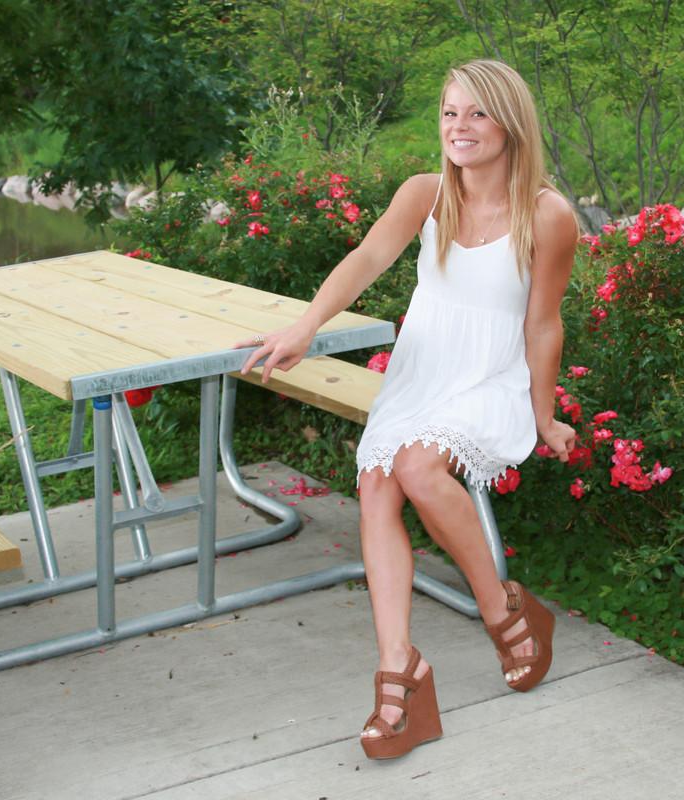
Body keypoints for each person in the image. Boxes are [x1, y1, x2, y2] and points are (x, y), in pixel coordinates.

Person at [234, 58, 581, 759]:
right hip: (424, 371)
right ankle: (403, 674)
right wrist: (306, 326)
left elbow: (544, 325)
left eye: (477, 113)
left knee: (420, 471)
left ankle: (501, 607)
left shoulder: (547, 215)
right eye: (451, 113)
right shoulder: (425, 194)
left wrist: (543, 416)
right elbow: (366, 259)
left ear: (509, 122)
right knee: (375, 489)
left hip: (490, 377)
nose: (460, 128)